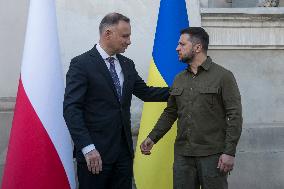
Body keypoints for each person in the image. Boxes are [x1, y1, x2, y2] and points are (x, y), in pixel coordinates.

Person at [63, 13, 169, 189]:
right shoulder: (81, 64)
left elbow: (147, 93)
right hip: (95, 154)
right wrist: (87, 148)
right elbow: (71, 109)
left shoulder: (127, 64)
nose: (129, 41)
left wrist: (183, 89)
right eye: (125, 36)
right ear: (108, 34)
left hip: (123, 155)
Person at [140, 27, 242, 189]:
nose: (177, 48)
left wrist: (229, 152)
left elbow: (235, 115)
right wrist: (152, 137)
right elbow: (171, 112)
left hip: (212, 155)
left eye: (182, 44)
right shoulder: (179, 79)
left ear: (197, 47)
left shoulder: (223, 76)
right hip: (183, 155)